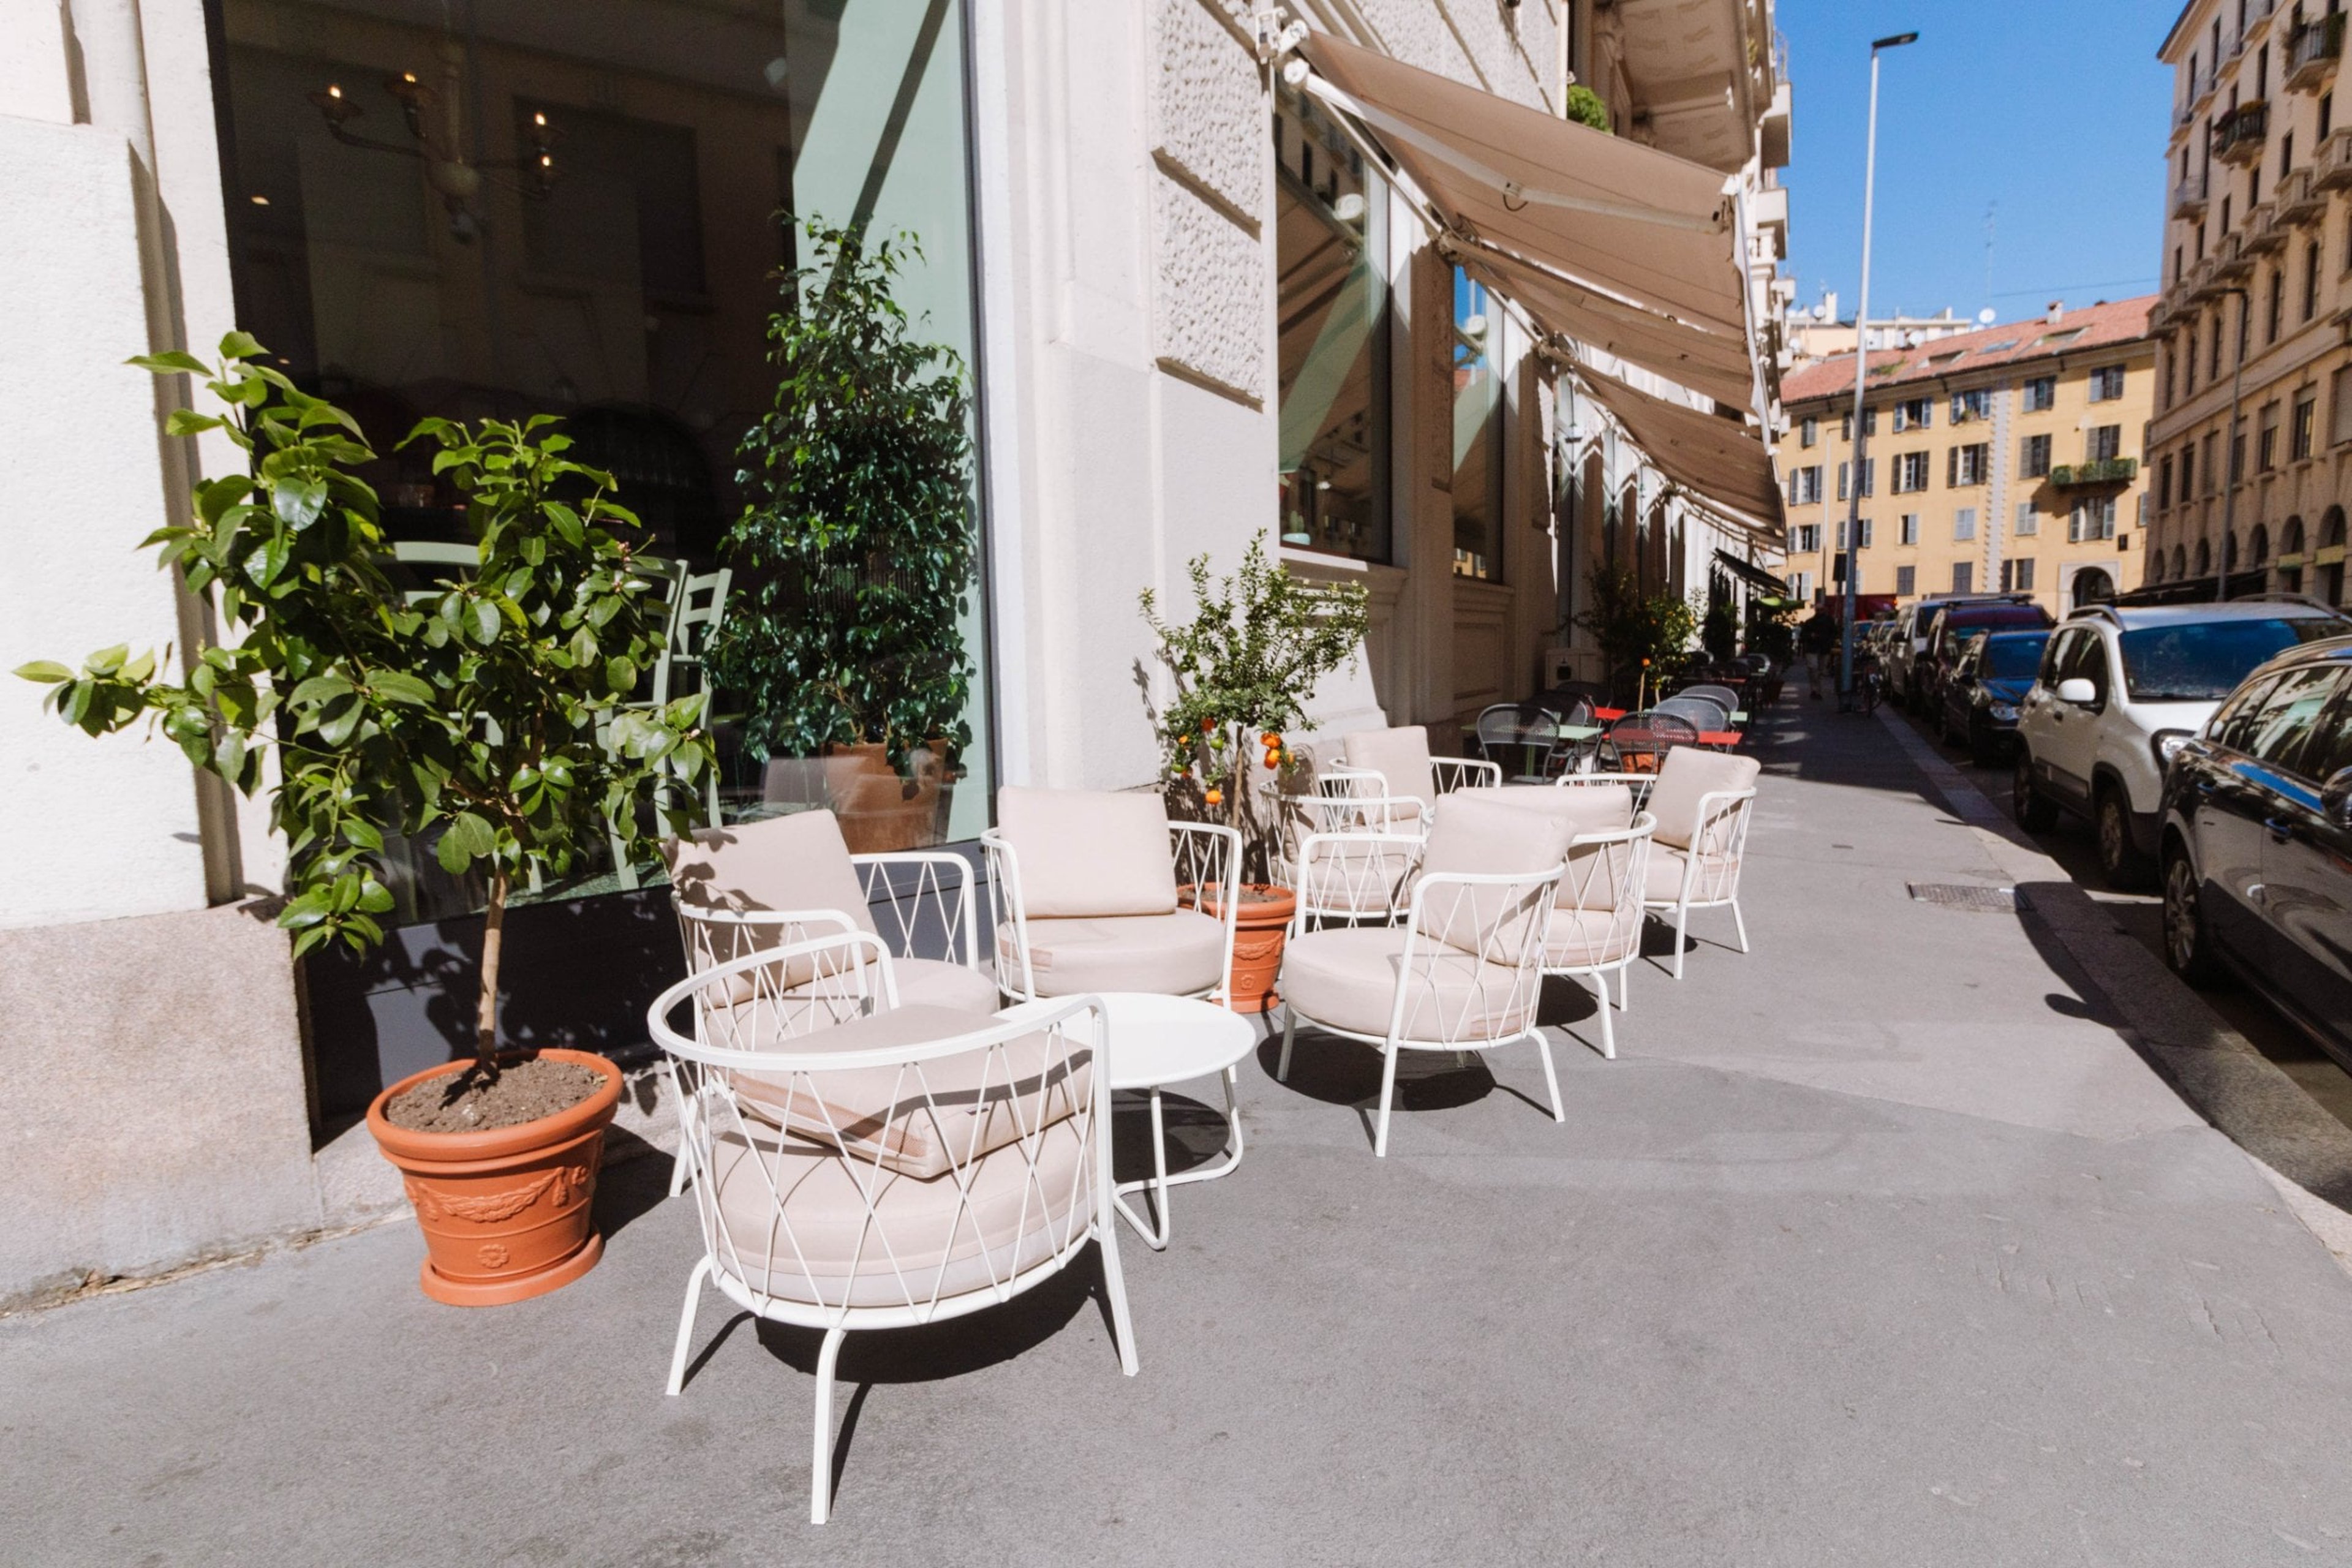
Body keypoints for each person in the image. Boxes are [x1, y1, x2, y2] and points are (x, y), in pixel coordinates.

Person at [1800, 612, 1839, 700]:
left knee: (1817, 670)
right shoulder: (1812, 622)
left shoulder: (1812, 622)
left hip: (1820, 649)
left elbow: (1835, 633)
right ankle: (1816, 690)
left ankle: (1816, 690)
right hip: (1817, 649)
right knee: (1815, 669)